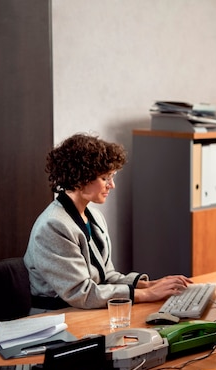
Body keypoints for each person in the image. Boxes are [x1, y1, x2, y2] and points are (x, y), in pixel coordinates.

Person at [24, 133, 192, 310]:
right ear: (80, 177)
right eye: (105, 178)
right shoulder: (53, 226)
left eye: (112, 177)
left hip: (84, 309)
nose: (112, 185)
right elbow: (82, 293)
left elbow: (106, 276)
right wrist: (147, 295)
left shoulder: (94, 216)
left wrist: (150, 285)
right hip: (58, 317)